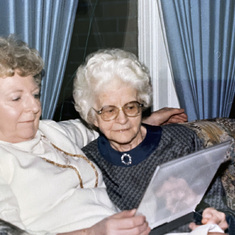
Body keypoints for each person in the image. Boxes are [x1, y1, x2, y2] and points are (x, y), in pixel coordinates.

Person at [0, 35, 229, 235]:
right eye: (16, 98)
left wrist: (143, 121)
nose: (33, 107)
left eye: (36, 94)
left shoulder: (51, 131)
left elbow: (102, 125)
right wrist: (92, 233)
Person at [73, 48, 235, 234]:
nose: (123, 119)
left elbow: (220, 208)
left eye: (131, 107)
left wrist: (216, 220)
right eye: (110, 110)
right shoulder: (88, 163)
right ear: (93, 116)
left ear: (142, 105)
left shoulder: (181, 142)